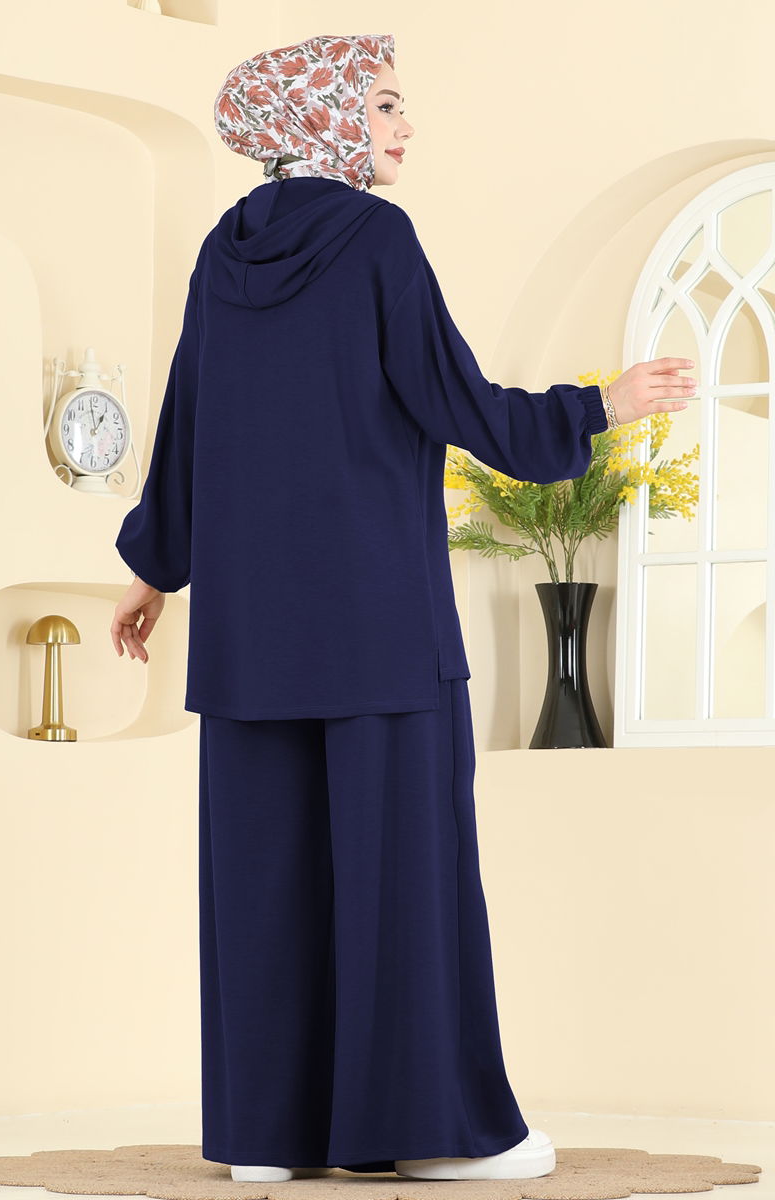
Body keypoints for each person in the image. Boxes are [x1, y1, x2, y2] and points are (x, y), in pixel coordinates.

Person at [109, 32, 697, 1184]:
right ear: (324, 115)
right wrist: (601, 403)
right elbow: (457, 402)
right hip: (375, 627)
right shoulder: (375, 239)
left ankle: (266, 1142)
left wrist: (152, 567)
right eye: (382, 104)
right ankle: (429, 1137)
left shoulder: (222, 251)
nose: (403, 125)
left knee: (264, 886)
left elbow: (188, 420)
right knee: (403, 885)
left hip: (248, 640)